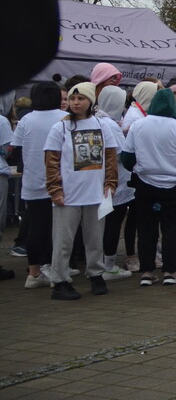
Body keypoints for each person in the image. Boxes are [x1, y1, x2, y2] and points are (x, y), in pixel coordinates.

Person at [43, 82, 119, 299]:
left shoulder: (102, 126)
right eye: (72, 99)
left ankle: (96, 274)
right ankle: (59, 280)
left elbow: (111, 158)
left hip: (95, 193)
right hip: (68, 195)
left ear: (90, 101)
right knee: (63, 241)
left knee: (95, 239)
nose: (75, 103)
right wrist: (55, 189)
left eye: (80, 99)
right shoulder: (61, 127)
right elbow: (51, 161)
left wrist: (110, 184)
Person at [123, 88, 176, 286]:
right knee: (171, 228)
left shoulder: (138, 126)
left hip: (145, 184)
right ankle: (171, 271)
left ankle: (146, 271)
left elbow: (127, 157)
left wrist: (140, 167)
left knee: (146, 228)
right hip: (173, 185)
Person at [13, 82, 78, 289]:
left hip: (32, 182)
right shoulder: (65, 119)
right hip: (61, 183)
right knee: (59, 230)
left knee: (36, 228)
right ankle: (56, 270)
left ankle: (34, 273)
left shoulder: (26, 119)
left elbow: (16, 150)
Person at [95, 86, 135, 281]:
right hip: (115, 183)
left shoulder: (97, 120)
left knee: (103, 225)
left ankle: (97, 264)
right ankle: (108, 265)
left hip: (101, 182)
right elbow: (121, 153)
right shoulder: (109, 125)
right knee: (112, 225)